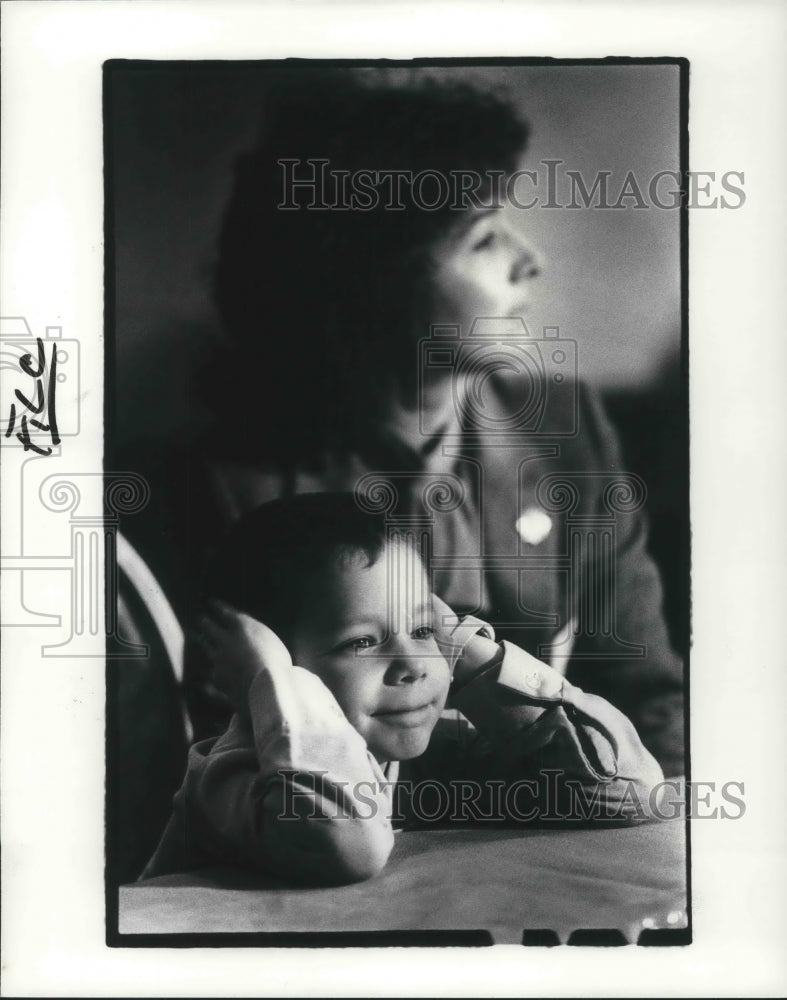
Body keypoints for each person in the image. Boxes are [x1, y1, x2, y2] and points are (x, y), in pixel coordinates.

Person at [116, 68, 684, 778]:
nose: (528, 262)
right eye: (482, 240)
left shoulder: (566, 434)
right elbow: (223, 755)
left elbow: (648, 698)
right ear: (375, 280)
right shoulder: (213, 487)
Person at [142, 493, 664, 885]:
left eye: (422, 631)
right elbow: (348, 845)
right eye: (363, 642)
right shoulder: (229, 778)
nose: (413, 665)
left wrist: (468, 652)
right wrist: (272, 679)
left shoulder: (432, 753)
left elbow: (630, 795)